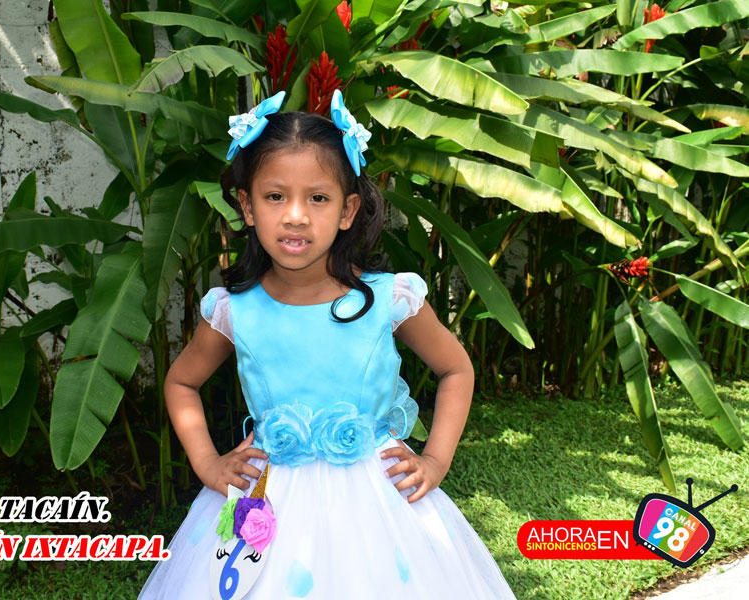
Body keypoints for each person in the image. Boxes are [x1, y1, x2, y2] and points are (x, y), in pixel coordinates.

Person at [137, 90, 518, 599]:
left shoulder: (387, 300)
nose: (296, 215)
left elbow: (456, 369)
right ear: (247, 206)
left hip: (378, 502)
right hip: (266, 500)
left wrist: (436, 460)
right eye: (275, 197)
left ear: (347, 209)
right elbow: (182, 382)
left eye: (317, 198)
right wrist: (207, 462)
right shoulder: (235, 310)